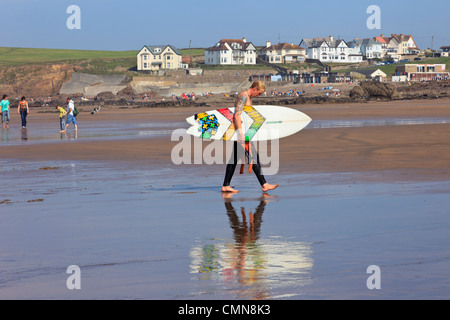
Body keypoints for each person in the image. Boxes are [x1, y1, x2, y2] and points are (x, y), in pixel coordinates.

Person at [221, 81, 279, 193]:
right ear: (255, 88)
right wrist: (241, 133)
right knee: (253, 157)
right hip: (241, 132)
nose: (259, 95)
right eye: (259, 93)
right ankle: (264, 184)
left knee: (235, 159)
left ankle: (226, 185)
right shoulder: (243, 97)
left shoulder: (246, 97)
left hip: (243, 132)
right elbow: (237, 115)